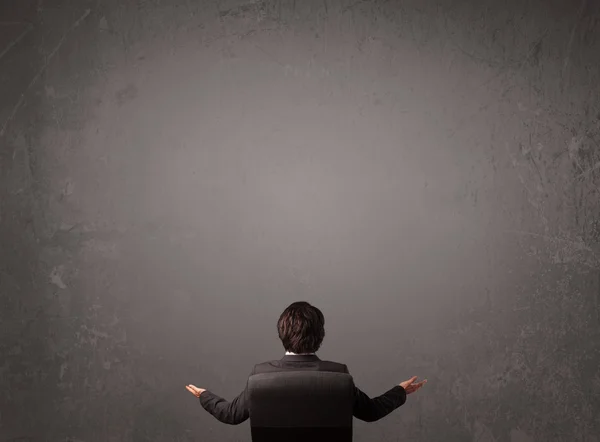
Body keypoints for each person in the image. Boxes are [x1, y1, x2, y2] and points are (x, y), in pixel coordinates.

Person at [186, 301, 427, 424]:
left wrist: (205, 395)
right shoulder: (339, 377)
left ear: (281, 333)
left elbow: (230, 414)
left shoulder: (260, 377)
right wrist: (400, 391)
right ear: (320, 336)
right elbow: (372, 412)